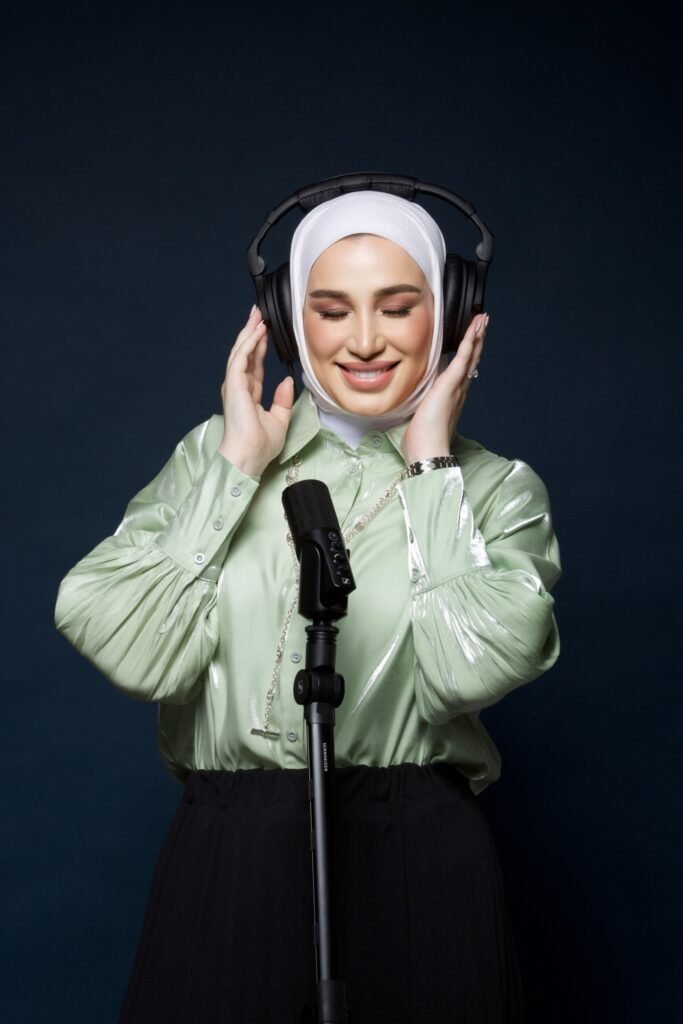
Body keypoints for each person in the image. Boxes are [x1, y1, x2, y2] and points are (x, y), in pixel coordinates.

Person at [54, 188, 562, 1024]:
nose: (363, 340)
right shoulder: (216, 456)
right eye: (330, 311)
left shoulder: (495, 489)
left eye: (396, 307)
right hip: (232, 848)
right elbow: (130, 650)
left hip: (415, 854)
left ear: (449, 313)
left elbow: (468, 670)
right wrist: (234, 469)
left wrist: (430, 467)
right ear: (290, 321)